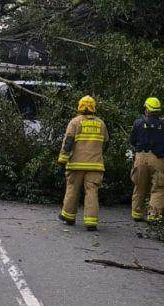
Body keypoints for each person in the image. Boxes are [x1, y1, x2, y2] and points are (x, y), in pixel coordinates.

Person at [57, 96, 107, 231]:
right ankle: (91, 222)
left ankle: (68, 216)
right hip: (95, 165)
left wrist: (62, 159)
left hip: (76, 164)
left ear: (79, 107)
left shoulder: (75, 122)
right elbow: (105, 143)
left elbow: (68, 143)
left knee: (72, 189)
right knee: (92, 192)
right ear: (93, 108)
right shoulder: (101, 124)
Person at [130, 97, 164, 222]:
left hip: (140, 158)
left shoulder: (138, 123)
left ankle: (136, 213)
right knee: (158, 187)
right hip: (157, 159)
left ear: (147, 109)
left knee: (139, 185)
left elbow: (132, 140)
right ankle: (154, 215)